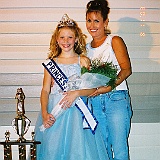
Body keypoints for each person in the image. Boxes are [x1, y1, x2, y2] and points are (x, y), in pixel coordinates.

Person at [34, 14, 109, 160]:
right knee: (53, 150)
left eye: (70, 37)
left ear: (76, 39)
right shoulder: (51, 63)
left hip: (77, 114)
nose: (66, 41)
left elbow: (93, 89)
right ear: (56, 39)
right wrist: (44, 113)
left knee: (78, 151)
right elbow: (45, 90)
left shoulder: (83, 61)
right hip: (55, 113)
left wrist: (76, 93)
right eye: (62, 37)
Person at [85, 0, 133, 160]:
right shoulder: (85, 49)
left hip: (116, 99)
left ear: (105, 22)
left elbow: (126, 70)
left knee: (119, 149)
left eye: (96, 20)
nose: (92, 25)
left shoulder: (114, 41)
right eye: (89, 20)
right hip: (96, 102)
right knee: (101, 150)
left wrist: (108, 87)